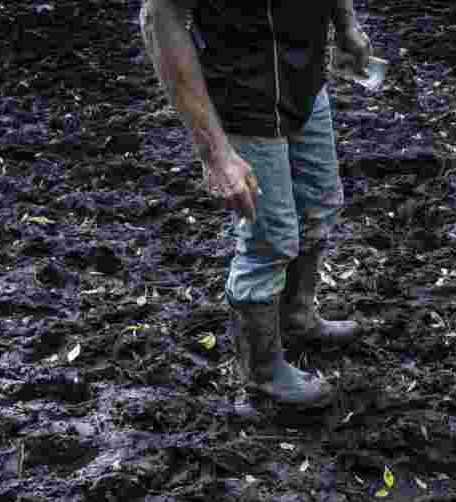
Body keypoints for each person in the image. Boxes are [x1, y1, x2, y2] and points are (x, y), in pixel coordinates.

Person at [139, 0, 371, 417]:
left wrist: (346, 23)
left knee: (319, 204)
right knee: (270, 238)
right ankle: (262, 376)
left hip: (304, 79)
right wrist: (215, 154)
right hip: (243, 91)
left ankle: (298, 317)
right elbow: (159, 18)